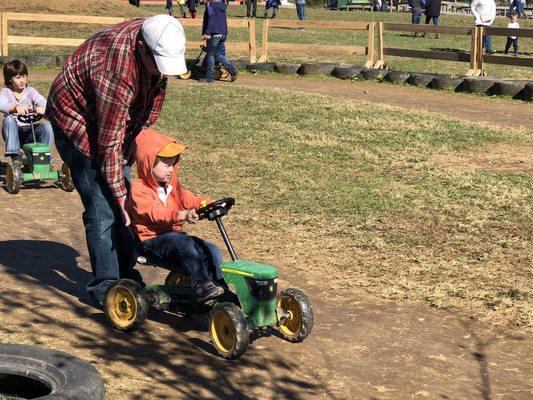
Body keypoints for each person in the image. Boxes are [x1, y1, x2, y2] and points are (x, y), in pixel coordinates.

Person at [45, 15, 188, 309]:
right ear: (141, 48)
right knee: (104, 206)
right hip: (76, 119)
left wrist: (134, 150)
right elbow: (109, 143)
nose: (163, 73)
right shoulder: (116, 71)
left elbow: (149, 107)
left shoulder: (157, 36)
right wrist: (121, 197)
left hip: (110, 119)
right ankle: (106, 287)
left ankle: (124, 273)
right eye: (158, 64)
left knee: (125, 198)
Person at [128, 130, 225, 302]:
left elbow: (188, 199)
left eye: (173, 164)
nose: (171, 169)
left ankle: (219, 286)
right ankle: (201, 285)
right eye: (166, 165)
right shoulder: (139, 189)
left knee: (211, 249)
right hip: (150, 242)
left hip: (175, 239)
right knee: (184, 243)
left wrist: (207, 204)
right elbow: (154, 213)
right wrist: (180, 215)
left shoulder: (171, 187)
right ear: (148, 163)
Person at [1, 60, 54, 163]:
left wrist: (42, 108)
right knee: (8, 120)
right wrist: (15, 107)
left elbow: (43, 102)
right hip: (13, 131)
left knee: (47, 126)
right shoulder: (6, 92)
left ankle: (44, 156)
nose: (22, 80)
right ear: (10, 79)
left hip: (30, 131)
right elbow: (2, 104)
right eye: (18, 78)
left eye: (24, 76)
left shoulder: (31, 91)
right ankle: (16, 157)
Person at [201, 0, 237, 83]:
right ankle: (233, 71)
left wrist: (207, 33)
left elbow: (211, 19)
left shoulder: (211, 6)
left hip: (214, 34)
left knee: (210, 55)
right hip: (223, 34)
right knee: (218, 55)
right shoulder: (222, 6)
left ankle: (209, 78)